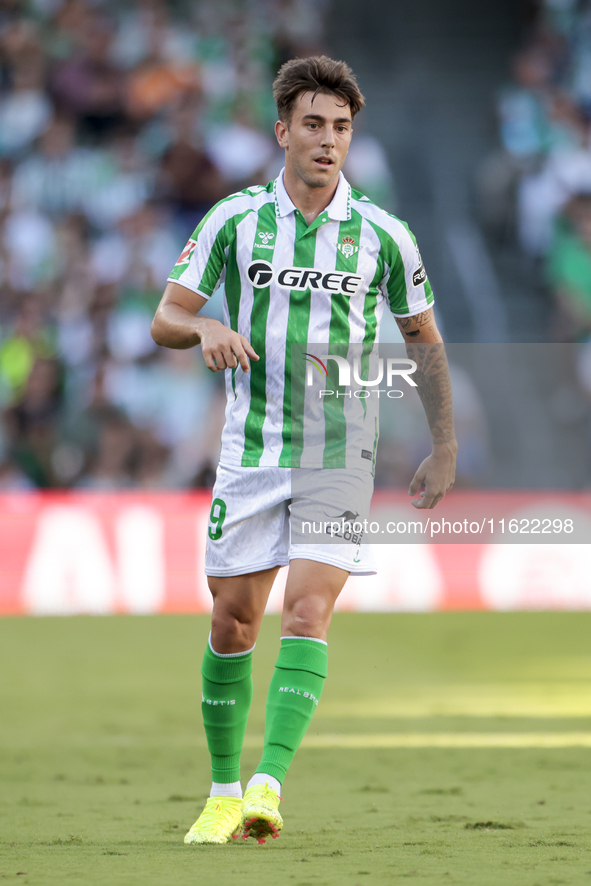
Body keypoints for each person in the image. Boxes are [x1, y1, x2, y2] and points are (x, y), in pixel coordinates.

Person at [151, 55, 457, 845]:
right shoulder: (232, 220)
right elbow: (165, 318)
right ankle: (222, 790)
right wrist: (206, 326)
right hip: (250, 451)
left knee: (308, 610)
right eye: (314, 125)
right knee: (231, 625)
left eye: (342, 128)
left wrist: (443, 445)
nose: (328, 141)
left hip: (339, 451)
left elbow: (424, 340)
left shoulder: (384, 236)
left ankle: (266, 783)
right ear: (282, 131)